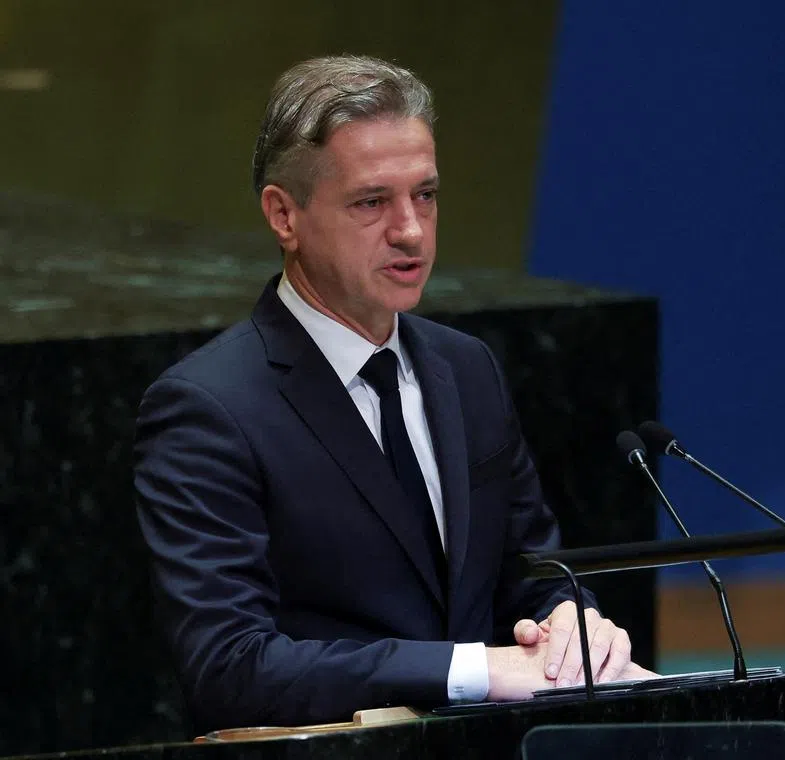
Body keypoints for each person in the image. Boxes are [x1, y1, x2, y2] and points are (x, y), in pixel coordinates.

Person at [133, 54, 650, 732]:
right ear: (283, 216)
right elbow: (232, 666)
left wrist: (570, 621)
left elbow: (534, 570)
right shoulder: (209, 410)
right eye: (372, 201)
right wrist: (476, 670)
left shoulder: (467, 370)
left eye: (426, 195)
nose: (410, 230)